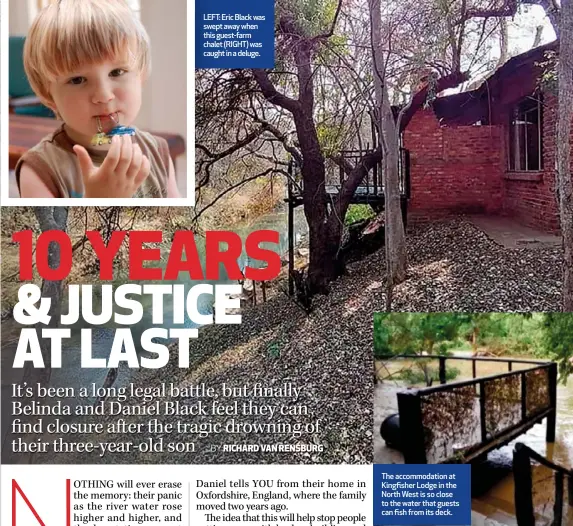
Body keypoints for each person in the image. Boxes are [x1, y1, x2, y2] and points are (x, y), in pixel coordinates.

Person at [16, 0, 180, 198]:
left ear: (141, 75)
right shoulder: (39, 171)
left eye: (117, 72)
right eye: (77, 80)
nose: (103, 95)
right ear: (48, 94)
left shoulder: (157, 152)